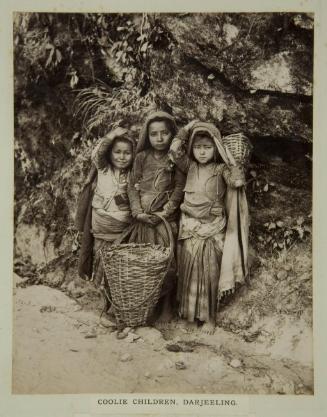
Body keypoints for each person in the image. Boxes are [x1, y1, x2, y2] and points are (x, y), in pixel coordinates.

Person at [169, 121, 249, 334]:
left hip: (212, 228)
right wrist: (187, 128)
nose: (202, 152)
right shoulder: (190, 166)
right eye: (197, 147)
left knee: (209, 273)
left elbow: (237, 182)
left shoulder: (221, 169)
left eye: (207, 147)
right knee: (187, 271)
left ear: (216, 147)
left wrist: (234, 165)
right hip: (189, 226)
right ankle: (189, 315)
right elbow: (174, 150)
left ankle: (210, 317)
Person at [127, 111, 186, 324]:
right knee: (142, 265)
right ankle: (143, 307)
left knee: (167, 263)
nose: (159, 138)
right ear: (147, 136)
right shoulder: (142, 158)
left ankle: (167, 306)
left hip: (164, 221)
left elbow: (180, 187)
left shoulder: (175, 159)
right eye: (154, 134)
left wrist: (166, 212)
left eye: (164, 133)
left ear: (172, 135)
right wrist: (138, 212)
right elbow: (132, 186)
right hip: (143, 221)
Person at [76, 127, 135, 314]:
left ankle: (117, 303)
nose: (122, 157)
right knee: (102, 262)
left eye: (127, 153)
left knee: (119, 267)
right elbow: (98, 152)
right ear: (110, 154)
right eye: (117, 152)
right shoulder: (103, 169)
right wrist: (111, 135)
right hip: (101, 226)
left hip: (122, 229)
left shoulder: (132, 175)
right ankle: (104, 300)